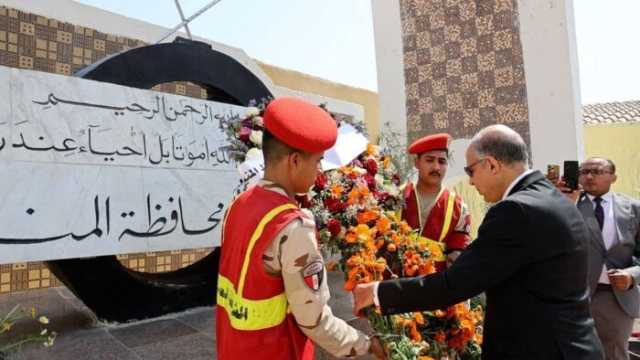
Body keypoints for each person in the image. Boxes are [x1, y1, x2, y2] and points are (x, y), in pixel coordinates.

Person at [353, 124, 603, 359]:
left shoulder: (515, 210)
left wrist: (377, 292)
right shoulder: (551, 198)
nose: (471, 182)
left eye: (470, 171)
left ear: (492, 165)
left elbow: (456, 283)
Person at [216, 97, 383, 359]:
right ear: (294, 161)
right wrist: (366, 344)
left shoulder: (237, 205)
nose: (319, 172)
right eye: (317, 162)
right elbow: (313, 319)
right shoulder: (292, 226)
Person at [561, 157, 640, 360]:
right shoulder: (567, 203)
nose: (588, 176)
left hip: (617, 296)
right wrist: (564, 204)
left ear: (613, 177)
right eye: (583, 171)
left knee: (615, 353)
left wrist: (632, 275)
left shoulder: (633, 208)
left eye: (596, 171)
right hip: (575, 295)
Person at [402, 133, 471, 270]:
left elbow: (459, 251)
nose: (436, 167)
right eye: (429, 160)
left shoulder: (458, 206)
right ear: (417, 163)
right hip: (395, 281)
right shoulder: (397, 196)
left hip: (435, 283)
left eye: (442, 161)